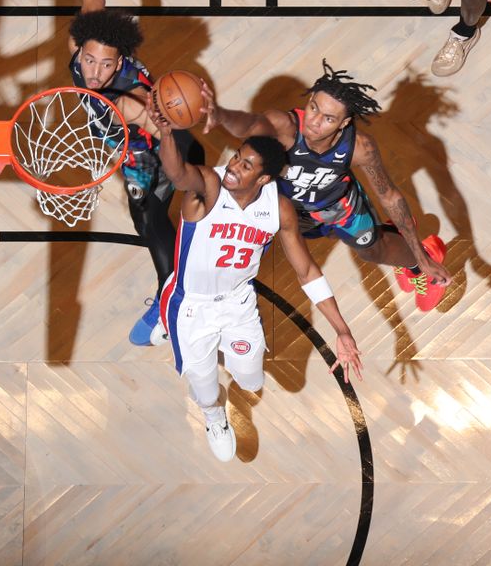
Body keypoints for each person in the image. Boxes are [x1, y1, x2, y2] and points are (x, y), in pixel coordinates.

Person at [147, 95, 363, 462]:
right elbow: (177, 173)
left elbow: (307, 270)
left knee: (251, 381)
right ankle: (214, 416)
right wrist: (166, 134)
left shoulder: (277, 208)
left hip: (237, 303)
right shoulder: (210, 186)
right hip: (192, 305)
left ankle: (213, 362)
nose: (233, 166)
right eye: (236, 156)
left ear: (263, 178)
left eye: (246, 165)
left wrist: (342, 330)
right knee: (203, 390)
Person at [204, 61, 452, 311]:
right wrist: (221, 115)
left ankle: (418, 263)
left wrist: (420, 257)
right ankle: (393, 238)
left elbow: (389, 197)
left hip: (338, 205)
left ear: (344, 123)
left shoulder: (359, 147)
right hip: (291, 208)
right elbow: (249, 125)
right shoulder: (284, 127)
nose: (314, 122)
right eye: (313, 108)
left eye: (328, 119)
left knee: (371, 251)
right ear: (310, 99)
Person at [60, 0, 203, 344]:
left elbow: (157, 126)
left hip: (154, 147)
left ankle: (170, 303)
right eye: (88, 61)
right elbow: (94, 0)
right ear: (80, 50)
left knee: (147, 217)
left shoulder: (130, 95)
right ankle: (178, 288)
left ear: (119, 60)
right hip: (146, 141)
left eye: (105, 66)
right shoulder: (88, 46)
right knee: (153, 219)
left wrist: (170, 151)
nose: (94, 73)